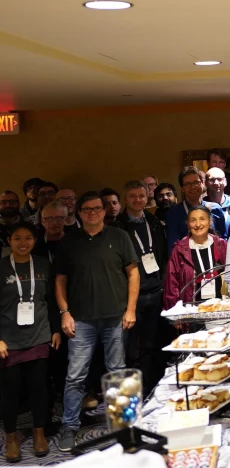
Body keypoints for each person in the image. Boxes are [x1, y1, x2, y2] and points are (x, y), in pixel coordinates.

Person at [54, 191, 140, 451]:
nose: (92, 213)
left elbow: (133, 273)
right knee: (75, 376)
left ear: (104, 211)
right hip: (80, 320)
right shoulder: (69, 242)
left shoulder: (119, 236)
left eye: (97, 209)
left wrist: (131, 310)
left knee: (117, 371)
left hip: (115, 316)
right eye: (86, 210)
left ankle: (123, 425)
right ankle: (69, 426)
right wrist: (64, 312)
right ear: (79, 214)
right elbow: (60, 280)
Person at [0, 224, 58, 460]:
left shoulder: (43, 263)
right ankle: (11, 437)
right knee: (10, 391)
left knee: (39, 388)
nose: (22, 243)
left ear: (35, 240)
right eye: (17, 238)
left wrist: (54, 330)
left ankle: (39, 433)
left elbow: (51, 299)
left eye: (28, 238)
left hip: (39, 335)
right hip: (9, 339)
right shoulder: (1, 267)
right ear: (9, 241)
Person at [115, 180, 168, 394]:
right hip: (131, 296)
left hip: (156, 292)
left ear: (147, 198)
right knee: (129, 349)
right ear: (124, 199)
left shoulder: (154, 221)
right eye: (132, 196)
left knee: (151, 344)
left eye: (141, 196)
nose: (138, 200)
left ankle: (150, 388)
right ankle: (132, 391)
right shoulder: (117, 228)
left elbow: (163, 255)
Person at [163, 206, 228, 310]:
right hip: (192, 309)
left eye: (202, 219)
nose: (198, 224)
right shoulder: (179, 249)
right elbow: (172, 283)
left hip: (220, 307)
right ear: (188, 224)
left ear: (210, 221)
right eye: (193, 220)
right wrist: (175, 311)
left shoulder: (221, 245)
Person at [165, 167, 226, 253]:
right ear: (182, 188)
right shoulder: (173, 214)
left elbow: (223, 239)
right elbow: (173, 247)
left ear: (202, 183)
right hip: (187, 262)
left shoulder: (215, 209)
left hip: (214, 262)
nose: (193, 187)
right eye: (188, 184)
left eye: (196, 182)